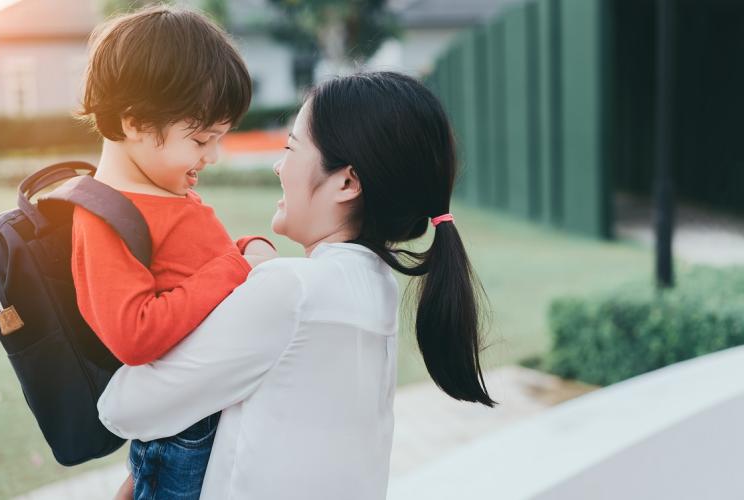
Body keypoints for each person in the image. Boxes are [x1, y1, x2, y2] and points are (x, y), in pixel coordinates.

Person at [98, 71, 495, 500]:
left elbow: (125, 407)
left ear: (347, 182)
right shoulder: (376, 288)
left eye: (291, 147)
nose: (278, 164)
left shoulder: (291, 291)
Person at [73, 6, 275, 499]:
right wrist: (235, 266)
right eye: (203, 139)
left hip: (206, 408)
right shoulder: (105, 216)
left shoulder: (163, 190)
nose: (211, 156)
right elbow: (135, 335)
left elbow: (199, 267)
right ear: (137, 123)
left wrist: (246, 249)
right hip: (186, 435)